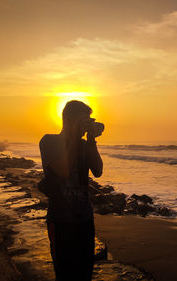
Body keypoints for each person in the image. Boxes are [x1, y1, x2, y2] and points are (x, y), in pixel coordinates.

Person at [39, 100, 103, 281]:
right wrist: (74, 136)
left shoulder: (84, 144)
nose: (86, 124)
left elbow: (98, 171)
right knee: (65, 273)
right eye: (83, 120)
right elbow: (63, 171)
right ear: (68, 119)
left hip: (84, 219)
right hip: (60, 220)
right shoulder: (49, 141)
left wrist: (91, 140)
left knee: (85, 273)